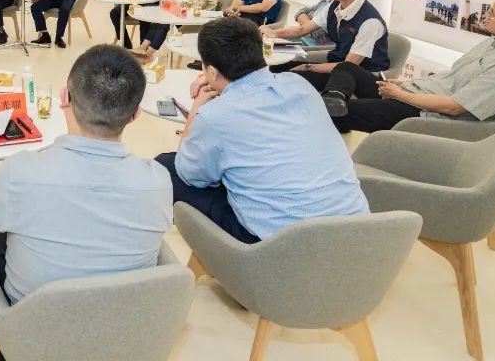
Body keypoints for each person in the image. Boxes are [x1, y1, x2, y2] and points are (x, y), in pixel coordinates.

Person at [0, 44, 172, 344]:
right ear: (135, 115)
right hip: (123, 328)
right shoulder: (158, 181)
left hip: (33, 325)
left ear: (64, 98)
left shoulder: (20, 171)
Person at [155, 17, 369, 243]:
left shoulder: (215, 116)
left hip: (280, 249)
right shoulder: (300, 86)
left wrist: (198, 106)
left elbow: (190, 174)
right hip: (356, 235)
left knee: (166, 167)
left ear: (212, 72)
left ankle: (216, 252)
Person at [326, 0, 495, 134]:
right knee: (346, 69)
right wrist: (405, 83)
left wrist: (400, 95)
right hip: (414, 94)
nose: (485, 17)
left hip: (423, 114)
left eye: (492, 14)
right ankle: (334, 100)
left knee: (326, 112)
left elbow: (454, 107)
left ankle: (333, 110)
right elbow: (454, 78)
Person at [262, 0, 389, 96]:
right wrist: (273, 32)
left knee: (289, 79)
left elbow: (349, 66)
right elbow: (302, 30)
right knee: (274, 68)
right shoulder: (334, 5)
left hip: (356, 75)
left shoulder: (370, 22)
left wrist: (309, 67)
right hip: (336, 62)